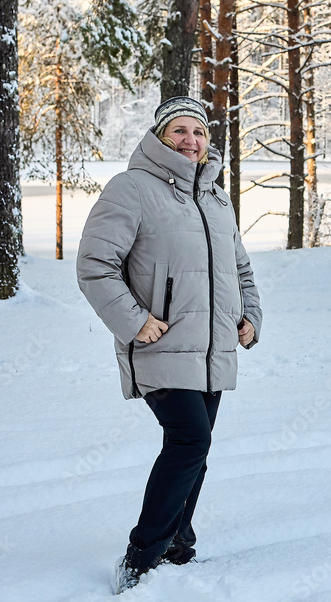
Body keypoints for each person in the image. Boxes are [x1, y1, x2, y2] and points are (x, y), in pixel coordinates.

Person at [76, 96, 262, 594]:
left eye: (198, 132)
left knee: (194, 450)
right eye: (179, 130)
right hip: (159, 345)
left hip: (212, 348)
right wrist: (135, 323)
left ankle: (179, 539)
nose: (191, 140)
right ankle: (142, 553)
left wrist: (249, 318)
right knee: (190, 441)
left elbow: (239, 269)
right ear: (159, 138)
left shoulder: (216, 197)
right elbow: (95, 266)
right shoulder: (131, 189)